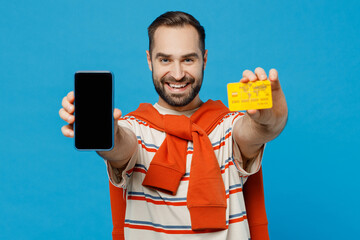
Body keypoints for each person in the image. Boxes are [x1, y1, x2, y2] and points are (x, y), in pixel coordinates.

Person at [59, 11, 288, 240]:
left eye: (188, 59)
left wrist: (271, 119)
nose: (177, 74)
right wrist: (103, 131)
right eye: (165, 60)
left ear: (204, 59)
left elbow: (258, 131)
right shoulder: (134, 128)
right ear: (150, 60)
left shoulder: (227, 127)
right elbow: (119, 146)